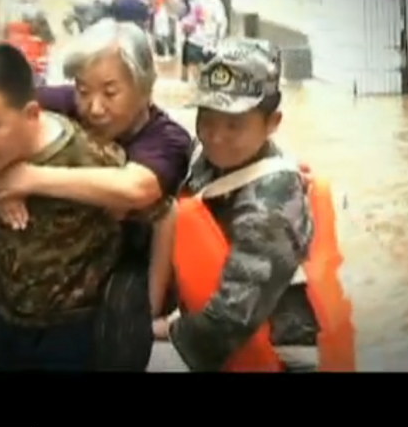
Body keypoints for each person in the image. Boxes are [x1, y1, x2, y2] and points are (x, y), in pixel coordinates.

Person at [0, 43, 172, 371]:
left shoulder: (87, 158)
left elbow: (164, 214)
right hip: (9, 325)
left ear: (31, 115)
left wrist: (150, 307)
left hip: (79, 333)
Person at [151, 43, 355, 372]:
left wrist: (162, 330)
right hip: (229, 329)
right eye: (207, 119)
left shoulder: (271, 204)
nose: (215, 136)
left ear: (272, 122)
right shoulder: (211, 161)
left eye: (234, 124)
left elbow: (229, 320)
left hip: (280, 352)